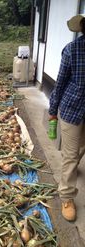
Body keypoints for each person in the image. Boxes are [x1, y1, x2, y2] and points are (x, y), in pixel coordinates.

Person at [49, 14, 85, 222]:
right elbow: (60, 82)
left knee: (80, 148)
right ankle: (67, 196)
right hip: (73, 108)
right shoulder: (72, 49)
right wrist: (53, 109)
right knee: (70, 156)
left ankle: (71, 171)